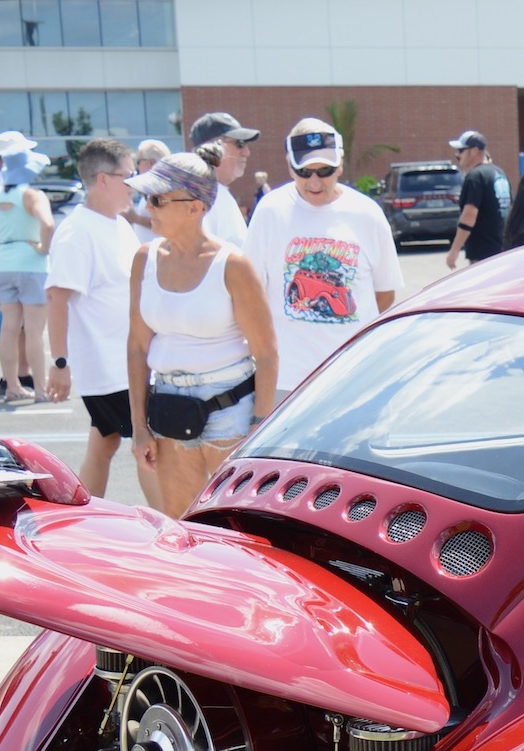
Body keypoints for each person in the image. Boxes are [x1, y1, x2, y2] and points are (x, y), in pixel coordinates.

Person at [126, 151, 277, 518]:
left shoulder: (233, 265)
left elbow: (267, 353)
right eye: (147, 198)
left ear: (194, 207)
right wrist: (138, 426)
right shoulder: (144, 259)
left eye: (158, 199)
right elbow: (137, 347)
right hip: (169, 407)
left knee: (239, 527)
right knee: (181, 526)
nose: (148, 207)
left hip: (232, 410)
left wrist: (258, 427)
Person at [244, 117, 401, 403]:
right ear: (290, 167)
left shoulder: (367, 213)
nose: (315, 182)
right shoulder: (270, 211)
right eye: (304, 172)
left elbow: (385, 292)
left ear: (340, 165)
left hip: (354, 375)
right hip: (287, 379)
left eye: (325, 171)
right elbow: (250, 293)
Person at [44, 138, 143, 497]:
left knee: (105, 443)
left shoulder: (117, 223)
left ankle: (82, 514)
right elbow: (57, 296)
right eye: (128, 176)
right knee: (151, 449)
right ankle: (169, 527)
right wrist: (59, 363)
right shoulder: (77, 232)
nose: (134, 185)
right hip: (110, 367)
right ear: (103, 179)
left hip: (127, 360)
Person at [0, 130, 46, 398]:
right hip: (26, 261)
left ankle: (16, 381)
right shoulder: (0, 185)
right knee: (28, 328)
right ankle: (23, 382)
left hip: (3, 260)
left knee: (12, 326)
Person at [0, 149, 53, 401]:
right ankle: (40, 388)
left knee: (8, 328)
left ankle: (12, 385)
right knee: (34, 331)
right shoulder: (32, 195)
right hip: (32, 264)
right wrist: (43, 248)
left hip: (4, 263)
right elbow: (47, 224)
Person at [188, 111, 259, 244]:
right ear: (214, 146)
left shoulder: (212, 192)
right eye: (240, 144)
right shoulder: (203, 196)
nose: (246, 152)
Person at [445, 130, 510, 269]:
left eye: (461, 150)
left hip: (483, 253)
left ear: (474, 150)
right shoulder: (499, 173)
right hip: (502, 248)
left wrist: (454, 250)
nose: (457, 155)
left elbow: (469, 215)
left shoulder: (475, 176)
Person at [124, 138, 170, 242]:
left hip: (160, 253)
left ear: (151, 162)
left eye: (139, 161)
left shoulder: (163, 188)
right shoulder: (151, 187)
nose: (137, 166)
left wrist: (134, 218)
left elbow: (168, 224)